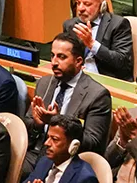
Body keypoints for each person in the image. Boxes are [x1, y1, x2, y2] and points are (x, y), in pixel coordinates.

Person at [23, 34, 112, 171]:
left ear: (78, 61)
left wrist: (58, 123)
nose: (54, 62)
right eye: (52, 56)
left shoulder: (97, 95)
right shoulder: (44, 83)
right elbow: (27, 123)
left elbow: (93, 143)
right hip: (35, 153)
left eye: (62, 57)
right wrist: (37, 124)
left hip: (67, 161)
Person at [63, 0, 133, 80]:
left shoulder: (118, 24)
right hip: (77, 78)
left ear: (102, 6)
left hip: (106, 78)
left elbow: (121, 61)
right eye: (78, 3)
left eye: (87, 4)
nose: (80, 8)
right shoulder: (70, 25)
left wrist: (92, 44)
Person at [23, 115, 99, 183]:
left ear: (73, 145)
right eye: (48, 137)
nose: (47, 143)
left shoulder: (85, 178)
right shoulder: (44, 161)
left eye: (54, 139)